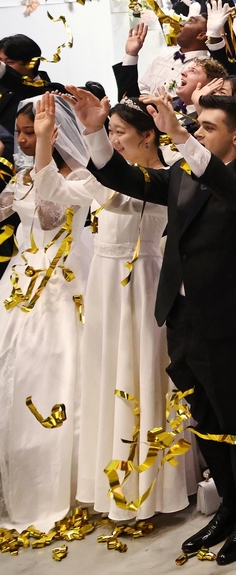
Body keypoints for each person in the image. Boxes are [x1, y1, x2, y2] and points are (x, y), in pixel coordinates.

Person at [75, 88, 236, 565]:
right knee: (206, 420)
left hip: (230, 318)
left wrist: (183, 137)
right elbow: (125, 178)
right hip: (183, 316)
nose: (197, 132)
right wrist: (92, 131)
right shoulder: (183, 173)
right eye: (196, 124)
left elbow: (234, 194)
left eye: (208, 127)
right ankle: (228, 503)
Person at [33, 96, 185, 521]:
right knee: (106, 370)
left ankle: (152, 486)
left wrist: (93, 134)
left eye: (119, 132)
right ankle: (110, 480)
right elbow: (50, 189)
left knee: (142, 371)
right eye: (110, 132)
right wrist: (45, 140)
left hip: (142, 278)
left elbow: (119, 194)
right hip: (104, 278)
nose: (114, 140)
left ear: (148, 134)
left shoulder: (166, 177)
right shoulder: (106, 175)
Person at [0, 96, 94, 530]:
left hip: (61, 287)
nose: (22, 138)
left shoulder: (80, 176)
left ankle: (57, 479)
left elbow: (51, 216)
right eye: (20, 131)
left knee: (48, 377)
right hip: (18, 284)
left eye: (30, 130)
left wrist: (41, 151)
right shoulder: (21, 174)